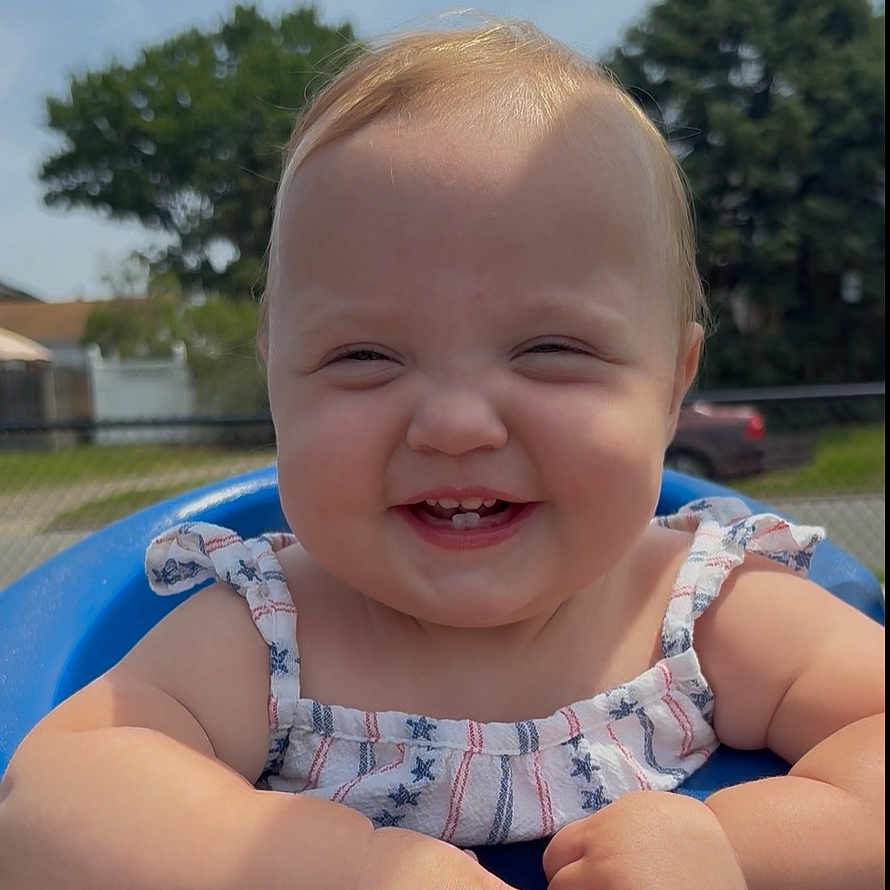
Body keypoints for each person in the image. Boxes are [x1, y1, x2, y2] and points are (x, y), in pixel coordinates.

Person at [0, 18, 883, 890]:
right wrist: (334, 869)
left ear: (671, 386)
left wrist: (734, 847)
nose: (456, 425)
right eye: (365, 357)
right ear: (276, 384)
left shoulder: (704, 610)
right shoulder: (271, 633)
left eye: (552, 349)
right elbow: (50, 802)